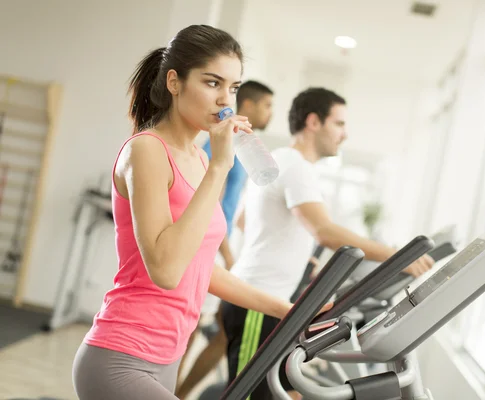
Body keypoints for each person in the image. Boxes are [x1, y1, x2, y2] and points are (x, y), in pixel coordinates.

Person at [71, 25, 329, 400]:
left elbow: (199, 268)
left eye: (234, 88)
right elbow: (166, 270)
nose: (225, 99)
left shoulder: (198, 158)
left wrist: (288, 309)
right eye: (212, 83)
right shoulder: (147, 150)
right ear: (174, 82)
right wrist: (220, 168)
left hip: (167, 358)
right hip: (121, 357)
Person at [222, 87, 435, 400]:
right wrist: (397, 257)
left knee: (287, 393)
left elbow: (244, 220)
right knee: (249, 396)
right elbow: (325, 231)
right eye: (339, 124)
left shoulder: (280, 159)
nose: (344, 134)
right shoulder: (294, 166)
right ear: (313, 122)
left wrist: (294, 255)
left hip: (267, 299)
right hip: (257, 300)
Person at [175, 80, 274, 399]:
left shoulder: (238, 146)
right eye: (266, 105)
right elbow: (206, 206)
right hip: (209, 246)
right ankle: (171, 390)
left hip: (222, 244)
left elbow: (232, 205)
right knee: (192, 326)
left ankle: (179, 391)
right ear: (248, 106)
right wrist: (229, 254)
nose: (269, 112)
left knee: (215, 330)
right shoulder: (216, 148)